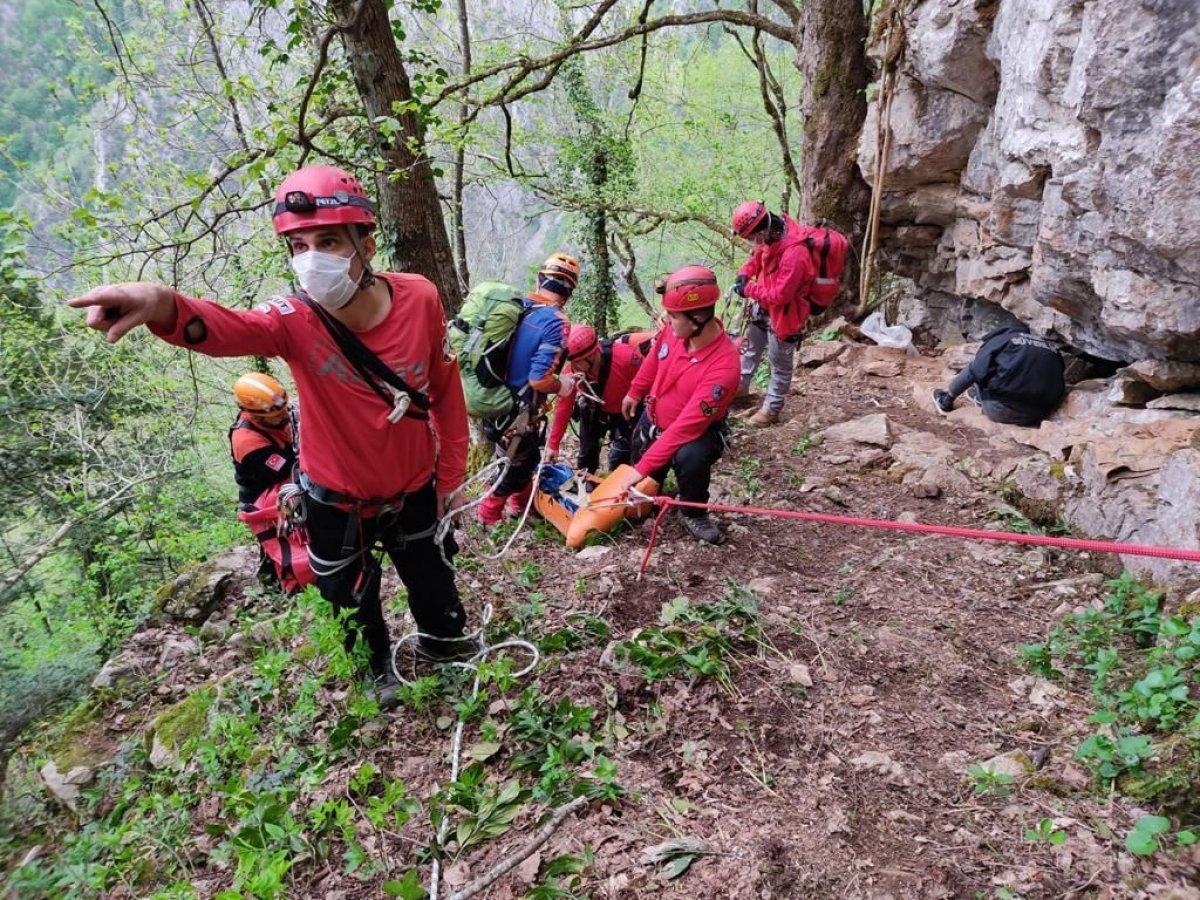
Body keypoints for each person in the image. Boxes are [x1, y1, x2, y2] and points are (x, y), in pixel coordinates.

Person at [69, 164, 472, 704]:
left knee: (432, 578)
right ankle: (377, 676)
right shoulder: (293, 319)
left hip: (414, 488)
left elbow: (444, 388)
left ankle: (446, 646)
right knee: (350, 599)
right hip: (336, 501)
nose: (311, 258)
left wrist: (450, 477)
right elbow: (228, 328)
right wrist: (163, 303)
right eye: (298, 245)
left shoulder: (419, 298)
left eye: (328, 240)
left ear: (367, 243)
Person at [618, 265, 741, 545]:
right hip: (653, 418)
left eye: (673, 315)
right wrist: (635, 392)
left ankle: (693, 511)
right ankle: (647, 497)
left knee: (691, 458)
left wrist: (640, 469)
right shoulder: (676, 333)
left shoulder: (724, 367)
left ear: (697, 317)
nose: (666, 319)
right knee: (645, 474)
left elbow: (687, 426)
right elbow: (654, 358)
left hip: (694, 432)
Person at [476, 253, 576, 526]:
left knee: (520, 460)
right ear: (568, 292)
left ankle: (519, 507)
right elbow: (539, 379)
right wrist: (563, 386)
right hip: (519, 410)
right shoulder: (555, 321)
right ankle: (488, 515)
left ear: (539, 279)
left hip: (493, 398)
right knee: (517, 467)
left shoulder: (518, 306)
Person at [730, 201, 816, 428]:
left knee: (780, 363)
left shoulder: (795, 253)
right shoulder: (770, 235)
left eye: (751, 238)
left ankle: (771, 409)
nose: (752, 242)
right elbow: (756, 258)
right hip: (763, 308)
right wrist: (744, 274)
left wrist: (748, 289)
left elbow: (780, 295)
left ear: (761, 229)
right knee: (749, 350)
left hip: (786, 315)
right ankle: (740, 388)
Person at [545, 325, 651, 476]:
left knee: (623, 457)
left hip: (627, 412)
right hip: (594, 410)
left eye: (576, 361)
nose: (573, 366)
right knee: (586, 458)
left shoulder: (626, 359)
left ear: (592, 355)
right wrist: (553, 445)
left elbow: (649, 381)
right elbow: (564, 406)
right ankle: (587, 486)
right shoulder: (574, 371)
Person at [932, 323, 1065, 426]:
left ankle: (945, 401)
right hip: (1040, 414)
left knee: (980, 366)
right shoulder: (1050, 347)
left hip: (1002, 410)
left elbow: (976, 370)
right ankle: (979, 397)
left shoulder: (1003, 340)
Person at [229, 372, 296, 510]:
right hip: (265, 497)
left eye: (284, 408)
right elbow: (287, 469)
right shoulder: (248, 443)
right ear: (257, 416)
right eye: (277, 415)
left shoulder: (271, 409)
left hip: (283, 472)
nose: (285, 415)